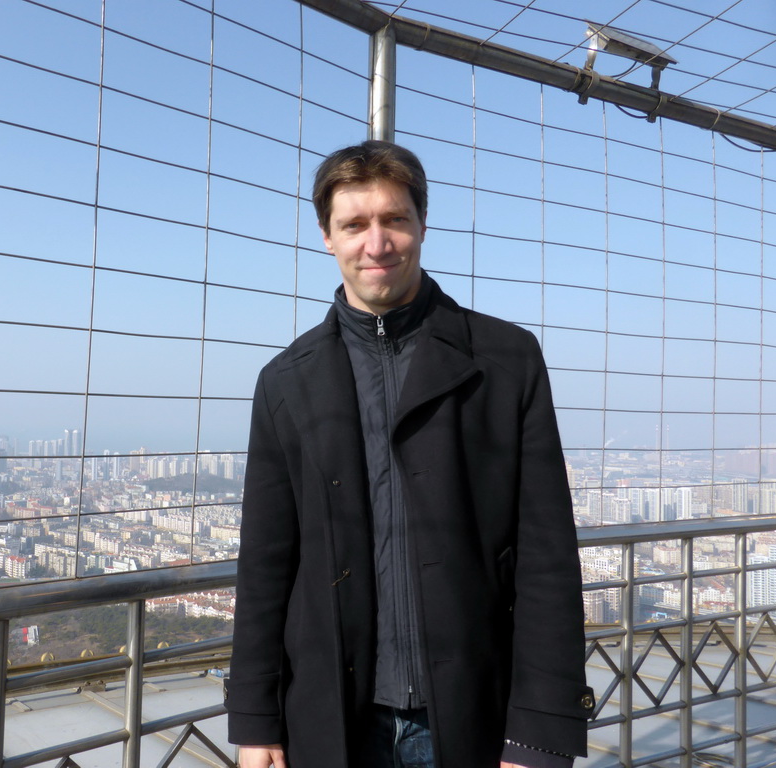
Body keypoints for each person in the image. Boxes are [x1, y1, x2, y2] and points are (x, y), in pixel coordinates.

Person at [224, 140, 594, 768]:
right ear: (326, 236)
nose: (377, 243)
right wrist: (256, 723)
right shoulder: (286, 382)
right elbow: (265, 564)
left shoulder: (506, 361)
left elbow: (545, 555)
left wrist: (538, 735)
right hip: (332, 718)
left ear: (423, 224)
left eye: (394, 219)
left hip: (475, 711)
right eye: (355, 225)